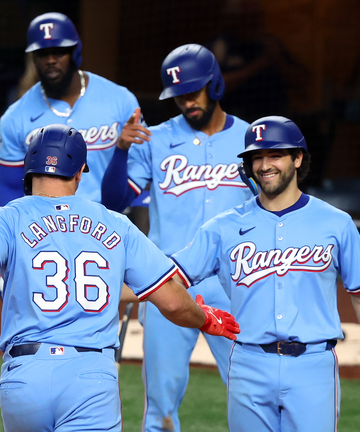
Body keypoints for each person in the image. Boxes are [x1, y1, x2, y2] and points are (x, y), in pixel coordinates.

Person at [0, 124, 239, 432]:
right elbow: (172, 301)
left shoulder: (5, 217)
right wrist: (204, 318)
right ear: (79, 172)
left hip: (25, 374)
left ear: (29, 167)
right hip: (90, 377)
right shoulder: (115, 223)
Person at [171, 115, 360, 431]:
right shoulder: (222, 227)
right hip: (248, 364)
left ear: (297, 159)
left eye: (275, 155)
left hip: (313, 366)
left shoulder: (335, 223)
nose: (264, 164)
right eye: (256, 157)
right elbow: (168, 280)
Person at [100, 43, 252, 432]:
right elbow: (114, 201)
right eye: (179, 95)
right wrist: (119, 152)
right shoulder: (156, 139)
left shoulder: (252, 140)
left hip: (236, 284)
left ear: (214, 84)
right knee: (160, 407)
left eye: (193, 91)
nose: (187, 102)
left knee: (253, 392)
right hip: (168, 282)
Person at [0, 12, 141, 207]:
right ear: (34, 60)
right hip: (44, 227)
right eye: (43, 54)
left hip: (108, 222)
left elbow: (140, 171)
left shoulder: (121, 101)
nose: (51, 60)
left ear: (75, 53)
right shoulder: (15, 116)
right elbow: (9, 187)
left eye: (59, 51)